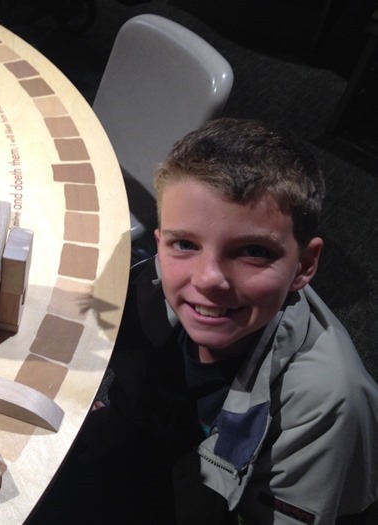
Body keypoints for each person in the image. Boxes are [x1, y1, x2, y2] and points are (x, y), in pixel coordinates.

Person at [30, 118, 378, 524]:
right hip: (155, 451)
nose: (208, 278)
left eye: (253, 251)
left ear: (304, 265)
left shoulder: (326, 406)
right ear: (160, 242)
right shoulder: (150, 279)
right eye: (185, 244)